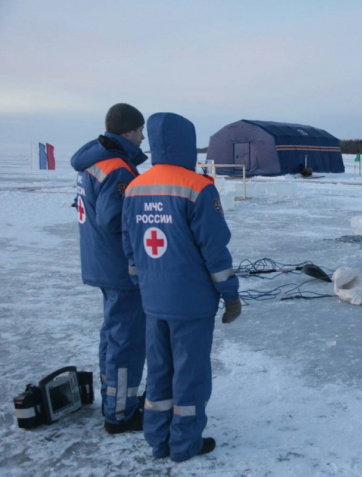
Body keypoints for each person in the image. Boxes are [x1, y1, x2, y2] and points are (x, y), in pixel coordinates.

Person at [122, 112, 242, 462]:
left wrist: (142, 283)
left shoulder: (133, 187)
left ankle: (158, 440)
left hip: (153, 300)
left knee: (159, 372)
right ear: (187, 143)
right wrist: (231, 296)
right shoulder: (198, 187)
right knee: (190, 374)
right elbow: (214, 250)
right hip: (191, 303)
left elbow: (130, 246)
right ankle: (185, 444)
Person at [70, 103, 147, 434]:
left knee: (114, 336)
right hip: (119, 268)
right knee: (126, 341)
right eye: (140, 130)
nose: (143, 137)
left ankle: (115, 400)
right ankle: (121, 413)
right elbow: (115, 218)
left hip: (100, 261)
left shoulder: (94, 161)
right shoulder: (118, 168)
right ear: (128, 131)